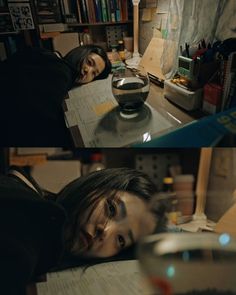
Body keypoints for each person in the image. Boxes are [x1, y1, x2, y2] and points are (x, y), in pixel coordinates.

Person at [0, 167, 166, 295]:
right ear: (96, 186)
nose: (105, 231)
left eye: (121, 240)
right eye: (111, 208)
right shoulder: (24, 224)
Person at [0, 45, 111, 146]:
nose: (88, 70)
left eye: (94, 73)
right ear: (81, 52)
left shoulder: (52, 56)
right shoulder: (62, 74)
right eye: (89, 62)